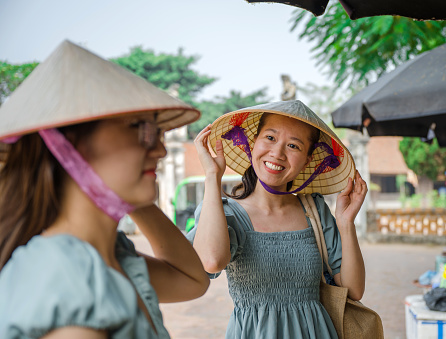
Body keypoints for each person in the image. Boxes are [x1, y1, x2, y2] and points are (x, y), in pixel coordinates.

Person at [0, 40, 209, 338]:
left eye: (158, 132)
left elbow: (192, 280)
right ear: (68, 144)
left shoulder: (108, 254)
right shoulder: (67, 276)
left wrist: (126, 186)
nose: (161, 150)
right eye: (142, 129)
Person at [188, 100, 366, 338]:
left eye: (293, 145)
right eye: (270, 138)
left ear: (308, 159)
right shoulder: (225, 213)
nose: (277, 153)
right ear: (253, 143)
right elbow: (210, 262)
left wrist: (346, 223)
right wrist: (212, 176)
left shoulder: (314, 210)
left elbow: (353, 290)